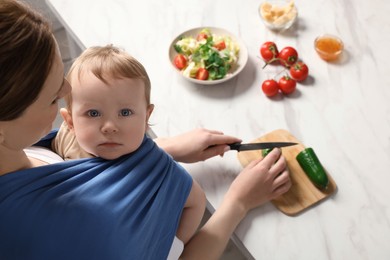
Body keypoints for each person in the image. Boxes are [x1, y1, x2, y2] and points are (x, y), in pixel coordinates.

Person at [0, 1, 291, 259]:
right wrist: (238, 203)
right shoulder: (85, 235)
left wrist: (163, 148)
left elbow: (79, 168)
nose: (67, 90)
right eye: (52, 97)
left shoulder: (15, 155)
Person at [52, 44, 206, 250]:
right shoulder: (66, 138)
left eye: (125, 113)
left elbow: (197, 202)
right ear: (70, 121)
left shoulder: (161, 170)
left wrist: (174, 245)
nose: (109, 127)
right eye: (93, 113)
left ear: (146, 117)